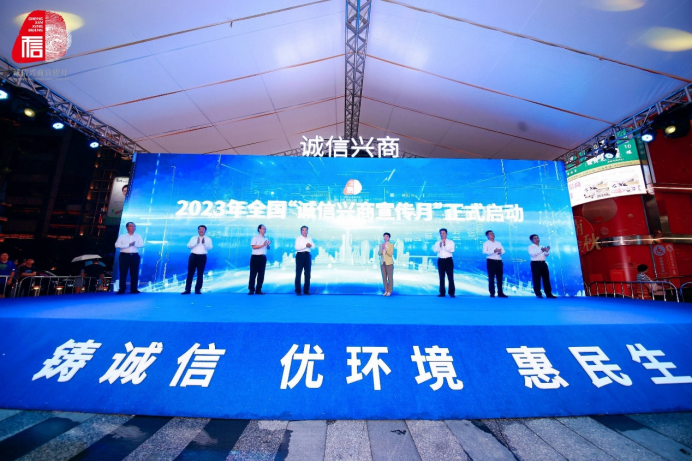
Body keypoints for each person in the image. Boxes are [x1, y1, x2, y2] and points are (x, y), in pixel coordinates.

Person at [115, 222, 144, 294]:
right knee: (123, 273)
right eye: (131, 226)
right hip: (124, 256)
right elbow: (117, 245)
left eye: (134, 226)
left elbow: (142, 244)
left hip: (135, 256)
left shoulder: (138, 236)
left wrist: (134, 244)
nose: (133, 227)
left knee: (134, 273)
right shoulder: (122, 236)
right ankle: (122, 289)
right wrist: (128, 245)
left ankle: (134, 289)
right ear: (127, 227)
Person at [182, 225, 213, 295]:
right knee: (190, 273)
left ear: (205, 231)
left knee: (200, 273)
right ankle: (187, 290)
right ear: (198, 230)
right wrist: (196, 243)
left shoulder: (208, 239)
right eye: (200, 229)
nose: (201, 231)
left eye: (202, 229)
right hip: (193, 256)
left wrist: (204, 243)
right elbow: (188, 246)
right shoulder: (193, 238)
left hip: (202, 257)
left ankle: (198, 289)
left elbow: (209, 248)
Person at [528, 234, 556, 298]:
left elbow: (546, 255)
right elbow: (533, 254)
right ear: (531, 240)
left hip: (543, 263)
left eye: (537, 238)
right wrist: (541, 250)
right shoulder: (530, 247)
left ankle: (548, 294)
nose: (537, 239)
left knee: (546, 278)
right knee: (536, 278)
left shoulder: (542, 246)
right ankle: (538, 294)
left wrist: (546, 251)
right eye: (535, 238)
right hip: (535, 263)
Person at [483, 230, 508, 298]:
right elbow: (484, 252)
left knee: (500, 277)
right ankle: (492, 293)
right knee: (491, 277)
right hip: (491, 261)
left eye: (493, 233)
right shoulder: (486, 243)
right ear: (487, 236)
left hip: (499, 261)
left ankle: (500, 292)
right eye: (490, 234)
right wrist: (494, 251)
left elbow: (503, 251)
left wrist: (500, 252)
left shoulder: (498, 243)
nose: (492, 234)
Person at [432, 228, 455, 297]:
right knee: (441, 277)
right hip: (440, 261)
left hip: (448, 260)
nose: (442, 234)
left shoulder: (450, 242)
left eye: (444, 233)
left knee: (450, 277)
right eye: (441, 233)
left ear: (446, 234)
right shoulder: (437, 242)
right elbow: (435, 250)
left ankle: (451, 293)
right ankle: (442, 292)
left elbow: (452, 250)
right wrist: (440, 246)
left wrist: (445, 245)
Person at [249, 224, 270, 295]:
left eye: (265, 229)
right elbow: (253, 247)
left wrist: (268, 245)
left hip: (263, 257)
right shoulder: (255, 237)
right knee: (253, 274)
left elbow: (267, 248)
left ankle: (258, 290)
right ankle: (251, 290)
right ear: (259, 229)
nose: (264, 230)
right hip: (255, 257)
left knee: (261, 274)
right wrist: (262, 245)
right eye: (263, 229)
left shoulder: (266, 238)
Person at [294, 225, 314, 296]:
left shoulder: (309, 238)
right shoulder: (298, 238)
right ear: (301, 231)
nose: (304, 231)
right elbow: (297, 247)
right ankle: (298, 290)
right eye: (303, 230)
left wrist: (310, 245)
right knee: (298, 273)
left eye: (306, 230)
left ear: (307, 231)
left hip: (307, 255)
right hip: (300, 255)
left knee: (308, 273)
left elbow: (313, 246)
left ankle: (306, 290)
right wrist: (306, 246)